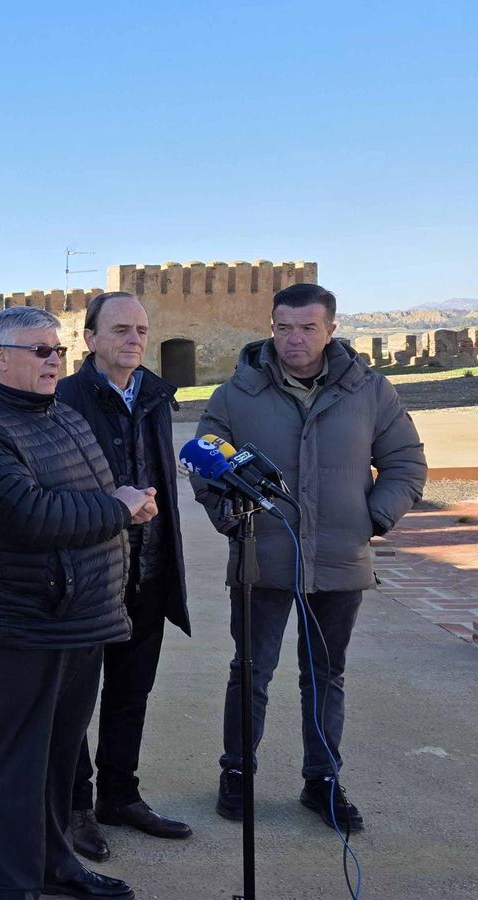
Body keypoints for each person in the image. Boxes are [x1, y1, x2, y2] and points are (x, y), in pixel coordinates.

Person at [196, 283, 426, 831]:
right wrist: (232, 517)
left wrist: (372, 519)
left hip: (339, 560)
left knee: (325, 676)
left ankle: (322, 780)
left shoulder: (370, 391)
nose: (293, 339)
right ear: (271, 327)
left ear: (331, 330)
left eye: (307, 328)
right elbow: (206, 466)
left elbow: (406, 463)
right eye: (283, 327)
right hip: (262, 557)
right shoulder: (235, 394)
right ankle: (238, 773)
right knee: (250, 672)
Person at [0, 306, 154, 900]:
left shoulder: (62, 414)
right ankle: (12, 884)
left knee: (61, 759)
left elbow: (87, 494)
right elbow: (30, 515)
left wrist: (119, 503)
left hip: (81, 617)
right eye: (40, 351)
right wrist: (118, 508)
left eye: (58, 350)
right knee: (20, 761)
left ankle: (55, 865)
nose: (54, 360)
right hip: (22, 623)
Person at [53, 293, 193, 861]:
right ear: (90, 339)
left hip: (149, 570)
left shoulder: (156, 396)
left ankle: (119, 795)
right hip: (89, 576)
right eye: (119, 329)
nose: (134, 339)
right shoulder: (63, 399)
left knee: (131, 693)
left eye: (141, 329)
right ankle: (75, 806)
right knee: (75, 702)